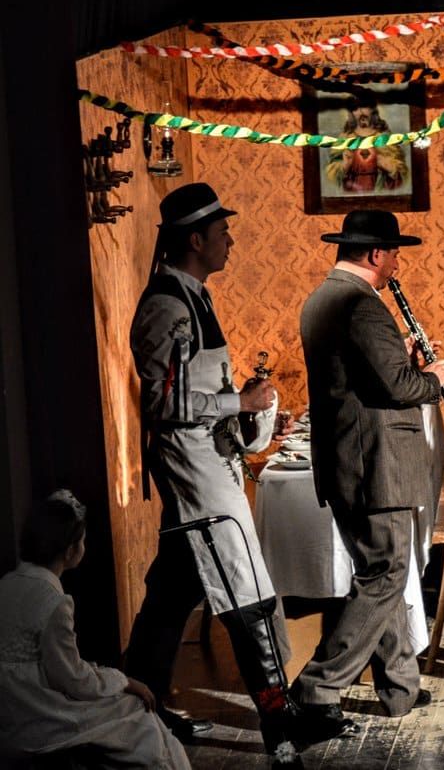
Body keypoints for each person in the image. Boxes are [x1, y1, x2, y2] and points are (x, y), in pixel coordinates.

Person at [125, 183, 305, 766]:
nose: (231, 240)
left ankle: (137, 707)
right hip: (195, 475)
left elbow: (196, 389)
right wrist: (239, 404)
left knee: (172, 592)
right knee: (242, 588)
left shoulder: (194, 297)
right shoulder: (168, 308)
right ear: (196, 240)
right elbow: (164, 403)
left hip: (212, 465)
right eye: (223, 232)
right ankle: (279, 723)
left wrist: (245, 411)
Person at [291, 210, 444, 729]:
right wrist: (433, 377)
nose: (396, 265)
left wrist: (399, 357)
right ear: (375, 254)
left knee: (381, 572)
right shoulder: (362, 304)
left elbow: (362, 374)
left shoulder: (321, 299)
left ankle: (399, 688)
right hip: (375, 466)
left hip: (345, 462)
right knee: (385, 574)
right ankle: (316, 688)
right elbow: (398, 388)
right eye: (394, 255)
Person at [0, 490, 190, 769]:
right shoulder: (54, 603)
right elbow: (73, 678)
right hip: (36, 712)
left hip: (10, 706)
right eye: (82, 540)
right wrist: (124, 681)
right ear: (70, 550)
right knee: (138, 711)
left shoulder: (7, 583)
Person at [325, 98, 409, 192]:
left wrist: (391, 167)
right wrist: (344, 166)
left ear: (373, 110)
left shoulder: (384, 137)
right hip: (352, 192)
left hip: (379, 191)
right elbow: (330, 173)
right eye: (356, 109)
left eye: (365, 107)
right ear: (351, 113)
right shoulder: (344, 138)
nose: (361, 112)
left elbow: (403, 170)